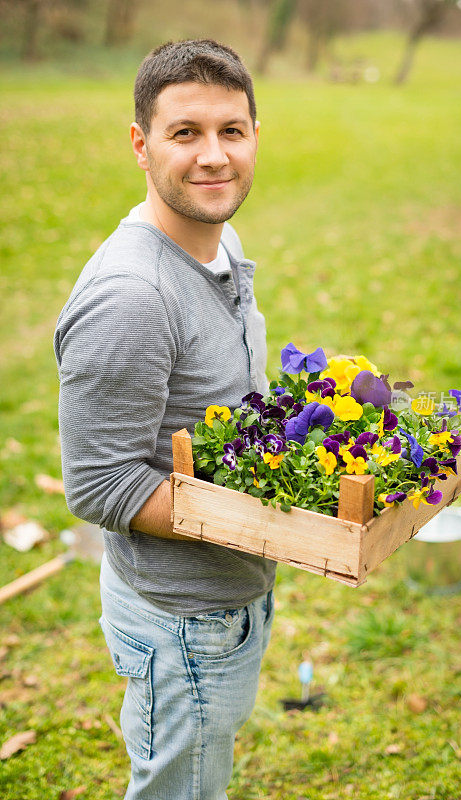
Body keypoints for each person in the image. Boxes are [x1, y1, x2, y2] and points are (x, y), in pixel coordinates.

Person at [54, 39, 276, 800]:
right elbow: (98, 483)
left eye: (231, 131)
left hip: (226, 598)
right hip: (184, 622)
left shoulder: (218, 240)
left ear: (254, 135)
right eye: (185, 133)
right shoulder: (132, 297)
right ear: (142, 146)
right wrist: (261, 524)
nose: (214, 157)